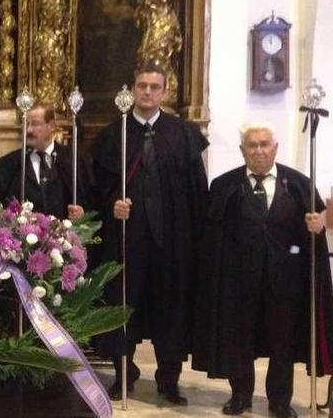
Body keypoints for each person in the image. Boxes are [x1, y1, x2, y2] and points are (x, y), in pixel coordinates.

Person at [192, 124, 333, 418]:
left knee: (282, 342)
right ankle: (241, 396)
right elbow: (210, 239)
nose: (258, 150)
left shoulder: (298, 185)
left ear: (275, 148)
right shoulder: (223, 186)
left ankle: (280, 401)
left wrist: (317, 227)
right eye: (252, 145)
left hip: (284, 282)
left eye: (264, 144)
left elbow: (315, 227)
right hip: (238, 281)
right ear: (243, 151)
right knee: (239, 339)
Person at [91, 63, 208, 405]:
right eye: (142, 85)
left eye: (154, 86)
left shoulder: (182, 133)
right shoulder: (114, 134)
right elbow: (96, 188)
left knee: (171, 309)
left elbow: (196, 191)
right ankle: (124, 372)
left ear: (164, 91)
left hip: (172, 242)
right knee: (122, 304)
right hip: (127, 241)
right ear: (131, 90)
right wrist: (113, 205)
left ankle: (168, 378)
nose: (147, 92)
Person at [0, 103, 91, 219]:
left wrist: (83, 213)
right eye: (25, 124)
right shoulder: (8, 165)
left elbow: (92, 201)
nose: (28, 130)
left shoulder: (75, 161)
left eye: (35, 124)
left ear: (51, 125)